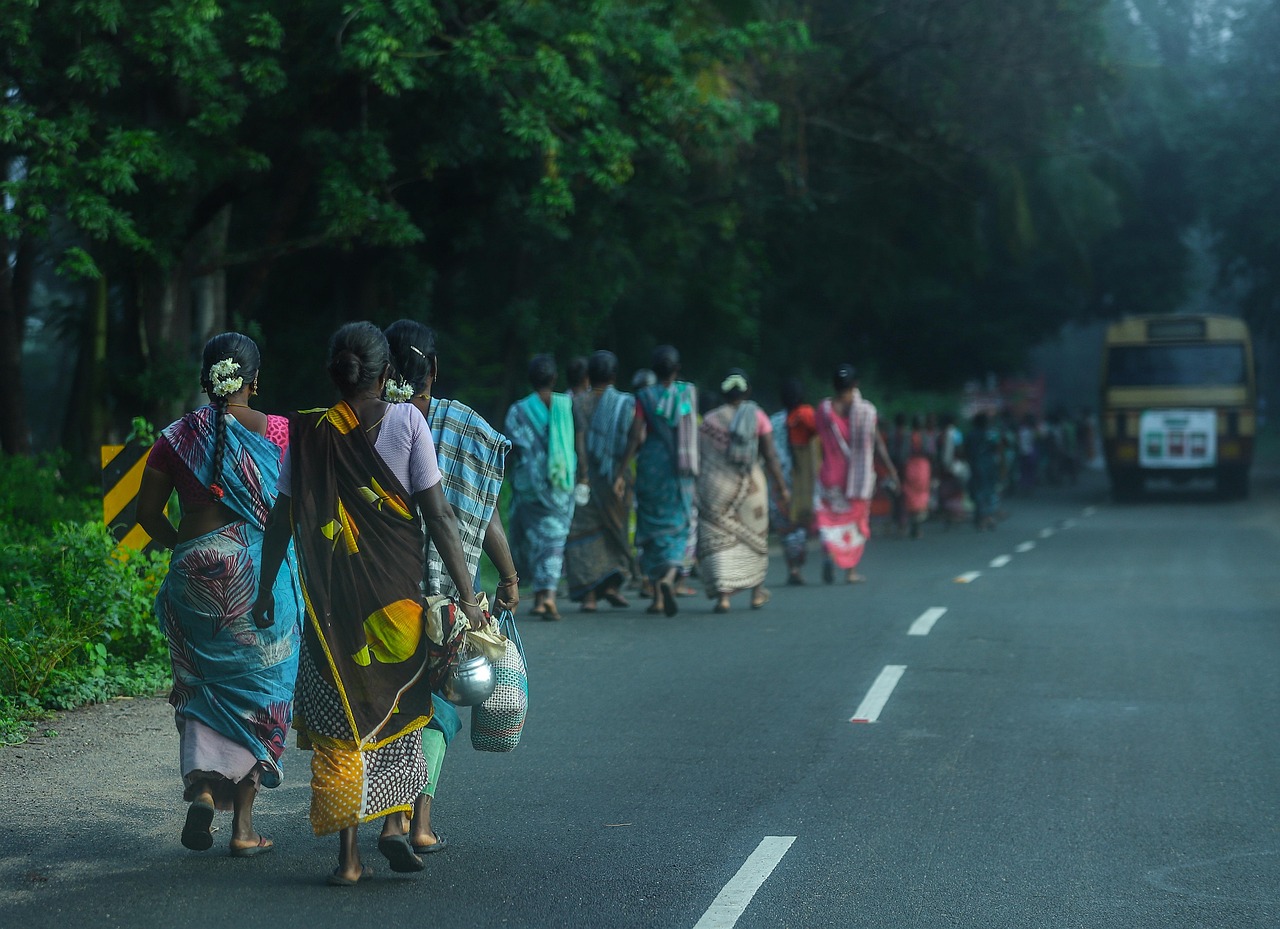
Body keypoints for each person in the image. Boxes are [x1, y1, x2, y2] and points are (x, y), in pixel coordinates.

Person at [252, 321, 486, 886]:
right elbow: (440, 517)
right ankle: (393, 827)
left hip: (333, 611)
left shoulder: (309, 433)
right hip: (397, 606)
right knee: (400, 711)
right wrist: (468, 596)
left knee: (340, 723)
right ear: (386, 375)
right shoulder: (408, 420)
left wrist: (264, 590)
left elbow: (282, 518)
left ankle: (348, 859)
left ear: (336, 374)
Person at [137, 332, 302, 858]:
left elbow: (146, 516)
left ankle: (205, 790)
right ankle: (244, 829)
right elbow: (297, 507)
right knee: (261, 693)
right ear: (254, 380)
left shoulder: (175, 437)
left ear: (206, 378)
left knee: (203, 690)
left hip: (193, 579)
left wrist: (187, 551)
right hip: (259, 578)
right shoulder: (279, 432)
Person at [384, 319, 520, 855]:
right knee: (437, 706)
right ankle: (419, 820)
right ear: (433, 370)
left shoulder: (365, 424)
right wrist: (505, 577)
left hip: (379, 591)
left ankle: (388, 819)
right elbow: (483, 513)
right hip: (446, 593)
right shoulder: (465, 426)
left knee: (389, 704)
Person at [613, 345, 698, 616]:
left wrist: (621, 470)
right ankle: (669, 578)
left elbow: (636, 436)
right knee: (678, 525)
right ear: (677, 370)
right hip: (679, 470)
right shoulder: (687, 394)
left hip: (651, 467)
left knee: (650, 527)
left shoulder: (644, 396)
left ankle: (656, 596)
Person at [697, 369, 789, 613]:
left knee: (719, 540)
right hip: (752, 488)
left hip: (716, 489)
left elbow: (701, 457)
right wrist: (781, 486)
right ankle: (757, 593)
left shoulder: (709, 421)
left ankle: (723, 597)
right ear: (747, 391)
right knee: (756, 539)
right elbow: (769, 455)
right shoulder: (757, 416)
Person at [504, 354, 580, 621]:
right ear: (554, 378)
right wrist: (582, 477)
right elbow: (577, 440)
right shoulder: (566, 405)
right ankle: (547, 596)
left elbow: (511, 449)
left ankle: (540, 597)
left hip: (529, 486)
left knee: (535, 539)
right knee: (554, 539)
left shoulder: (518, 410)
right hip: (560, 484)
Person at [814, 364, 898, 584]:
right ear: (856, 384)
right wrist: (891, 469)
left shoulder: (823, 409)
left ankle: (829, 553)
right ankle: (850, 571)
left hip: (830, 474)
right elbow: (877, 443)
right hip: (857, 478)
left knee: (829, 519)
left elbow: (818, 441)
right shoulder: (867, 411)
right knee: (855, 523)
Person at [564, 350, 635, 612]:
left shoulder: (577, 403)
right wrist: (620, 472)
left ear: (589, 376)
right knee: (614, 530)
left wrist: (583, 473)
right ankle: (612, 586)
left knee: (583, 534)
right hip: (617, 478)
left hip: (586, 479)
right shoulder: (626, 403)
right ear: (614, 375)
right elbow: (635, 438)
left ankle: (590, 595)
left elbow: (578, 441)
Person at [770, 377, 818, 585]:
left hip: (778, 479)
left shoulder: (773, 421)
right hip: (802, 480)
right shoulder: (808, 417)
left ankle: (793, 567)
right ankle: (798, 557)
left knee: (785, 524)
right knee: (801, 522)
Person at [966, 411, 1003, 531]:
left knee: (978, 493)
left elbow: (966, 451)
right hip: (989, 465)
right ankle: (989, 517)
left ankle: (981, 518)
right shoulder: (990, 434)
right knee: (990, 492)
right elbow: (997, 448)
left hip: (975, 465)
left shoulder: (971, 435)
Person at [901, 415, 933, 539]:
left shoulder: (907, 436)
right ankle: (918, 524)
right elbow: (931, 452)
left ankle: (912, 523)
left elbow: (903, 454)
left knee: (911, 495)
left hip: (911, 466)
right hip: (923, 467)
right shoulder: (926, 437)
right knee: (922, 494)